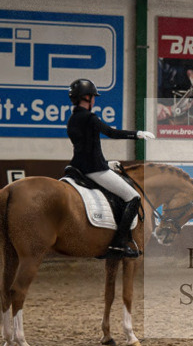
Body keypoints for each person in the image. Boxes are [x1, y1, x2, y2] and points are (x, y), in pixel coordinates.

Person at [66, 78, 156, 259]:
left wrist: (106, 163)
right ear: (86, 97)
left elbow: (85, 148)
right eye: (93, 97)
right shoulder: (89, 118)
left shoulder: (73, 119)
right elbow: (111, 133)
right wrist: (137, 134)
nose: (94, 100)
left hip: (78, 166)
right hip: (94, 170)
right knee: (133, 197)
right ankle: (119, 243)